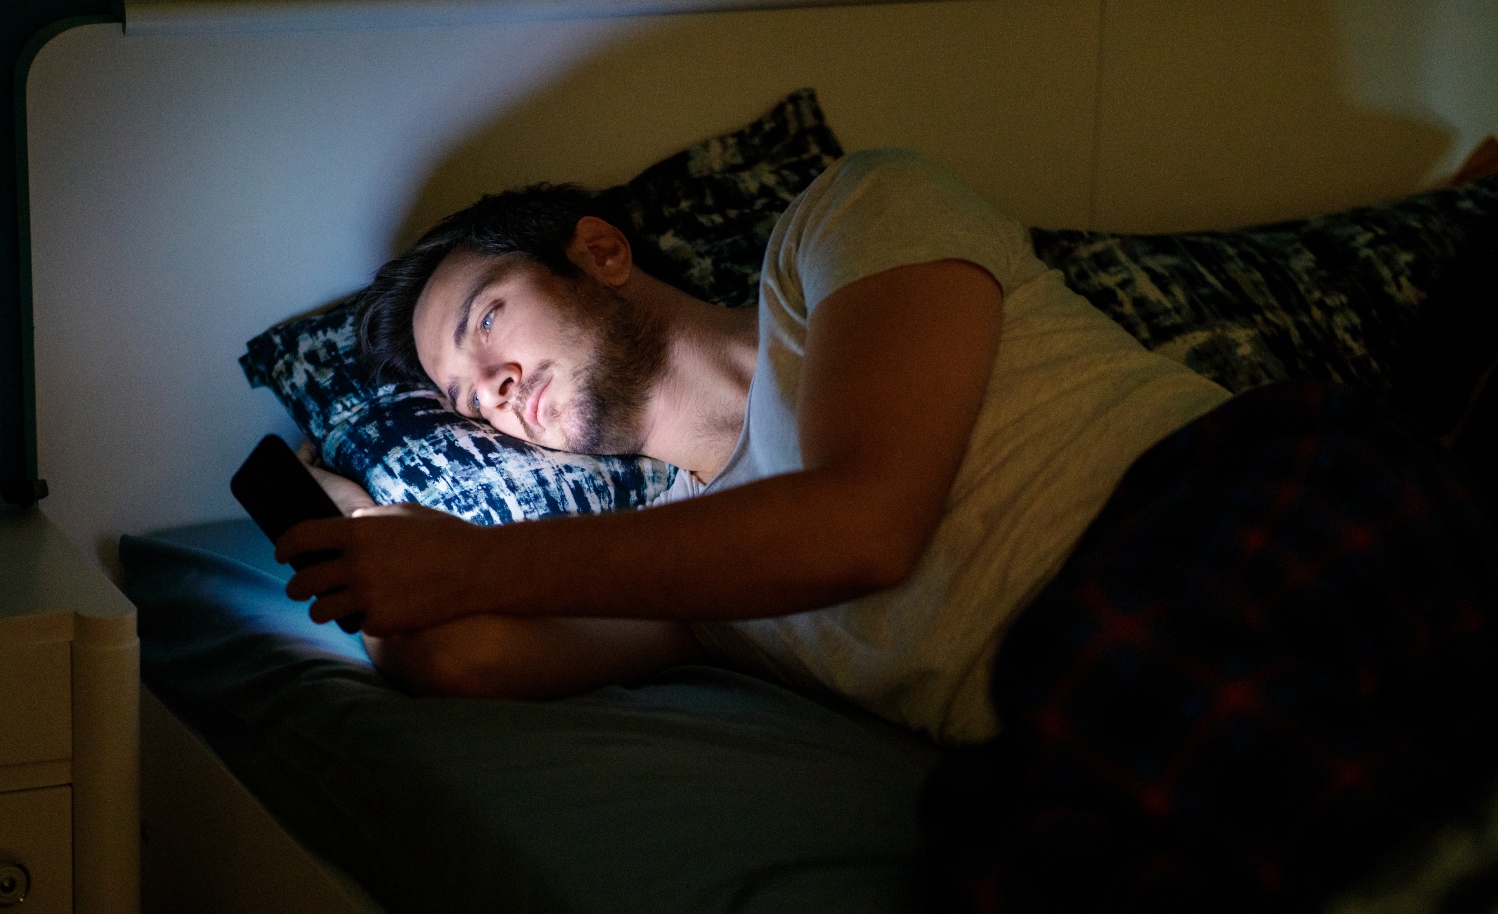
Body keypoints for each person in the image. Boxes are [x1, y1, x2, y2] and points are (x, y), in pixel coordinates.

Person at [280, 148, 1231, 744]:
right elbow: (460, 659)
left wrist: (473, 563)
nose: (487, 391)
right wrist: (357, 533)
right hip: (1120, 720)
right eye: (458, 397)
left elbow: (863, 523)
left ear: (602, 254)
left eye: (487, 320)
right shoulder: (695, 573)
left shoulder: (850, 219)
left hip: (1220, 531)